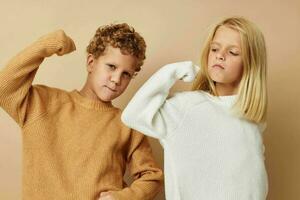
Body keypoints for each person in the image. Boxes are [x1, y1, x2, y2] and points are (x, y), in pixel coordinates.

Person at [0, 23, 163, 200]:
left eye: (126, 74)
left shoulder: (127, 124)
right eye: (111, 66)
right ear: (91, 62)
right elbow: (4, 89)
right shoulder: (41, 103)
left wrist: (122, 198)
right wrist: (47, 45)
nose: (116, 79)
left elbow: (152, 177)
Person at [122, 17, 268, 200]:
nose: (220, 55)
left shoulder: (253, 121)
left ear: (251, 63)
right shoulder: (187, 107)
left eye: (233, 52)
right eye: (214, 49)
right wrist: (173, 71)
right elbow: (133, 115)